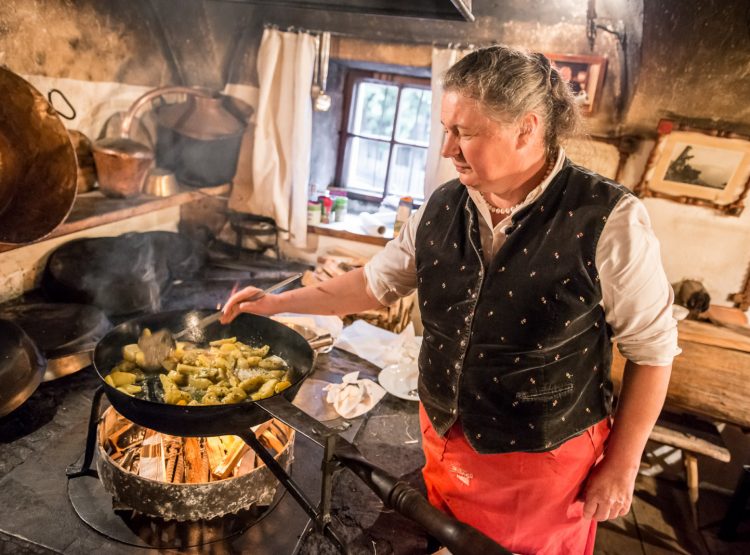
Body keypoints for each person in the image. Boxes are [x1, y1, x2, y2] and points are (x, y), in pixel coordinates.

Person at [221, 45, 678, 554]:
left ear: (527, 129)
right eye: (445, 129)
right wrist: (277, 304)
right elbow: (371, 285)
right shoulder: (442, 205)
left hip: (541, 460)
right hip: (444, 440)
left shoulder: (609, 219)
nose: (447, 149)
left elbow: (653, 353)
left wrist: (622, 464)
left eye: (464, 132)